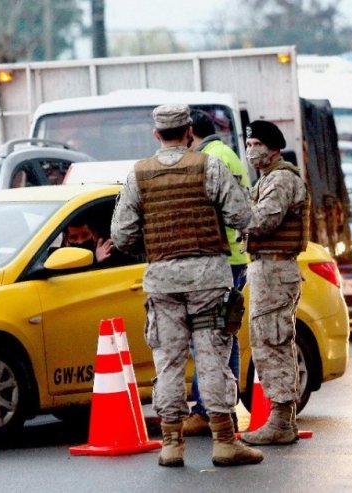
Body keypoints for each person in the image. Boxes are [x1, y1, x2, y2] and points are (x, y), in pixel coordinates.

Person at [110, 104, 262, 468]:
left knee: (168, 362)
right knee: (213, 359)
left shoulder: (139, 175)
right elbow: (243, 216)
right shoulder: (209, 166)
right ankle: (225, 441)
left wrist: (152, 247)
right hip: (209, 278)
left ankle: (171, 444)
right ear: (189, 132)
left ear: (156, 135)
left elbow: (121, 234)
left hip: (162, 281)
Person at [239, 120, 310, 446]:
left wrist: (234, 209)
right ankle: (282, 420)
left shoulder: (281, 179)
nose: (251, 150)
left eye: (257, 145)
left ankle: (281, 421)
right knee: (269, 341)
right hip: (269, 270)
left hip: (275, 270)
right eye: (249, 144)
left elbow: (262, 220)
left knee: (273, 343)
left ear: (274, 149)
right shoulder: (269, 178)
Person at [181, 110, 251, 436]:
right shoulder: (225, 153)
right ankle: (221, 408)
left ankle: (209, 410)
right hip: (234, 256)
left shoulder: (211, 159)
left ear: (191, 132)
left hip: (221, 258)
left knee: (211, 337)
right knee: (226, 337)